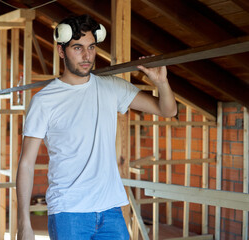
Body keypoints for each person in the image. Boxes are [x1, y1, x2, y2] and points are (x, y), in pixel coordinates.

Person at [16, 14, 177, 240]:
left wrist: (161, 83)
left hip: (110, 209)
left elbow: (168, 111)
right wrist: (24, 222)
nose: (86, 55)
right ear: (62, 51)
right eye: (77, 48)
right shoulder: (45, 101)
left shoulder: (112, 88)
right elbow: (26, 163)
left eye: (91, 47)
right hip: (68, 211)